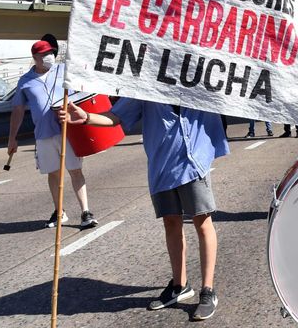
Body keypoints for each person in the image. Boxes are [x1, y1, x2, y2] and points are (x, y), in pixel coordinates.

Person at [60, 99, 227, 320]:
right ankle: (179, 286)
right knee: (171, 223)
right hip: (161, 165)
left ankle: (208, 291)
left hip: (194, 162)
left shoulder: (197, 78)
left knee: (202, 222)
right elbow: (116, 116)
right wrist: (87, 118)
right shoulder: (148, 84)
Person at [8, 40, 97, 229]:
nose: (49, 56)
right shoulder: (25, 81)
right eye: (44, 54)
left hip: (67, 130)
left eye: (51, 52)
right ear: (35, 58)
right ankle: (60, 211)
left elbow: (83, 91)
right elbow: (18, 110)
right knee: (53, 174)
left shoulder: (64, 70)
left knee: (75, 170)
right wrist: (12, 138)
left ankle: (85, 212)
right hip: (43, 134)